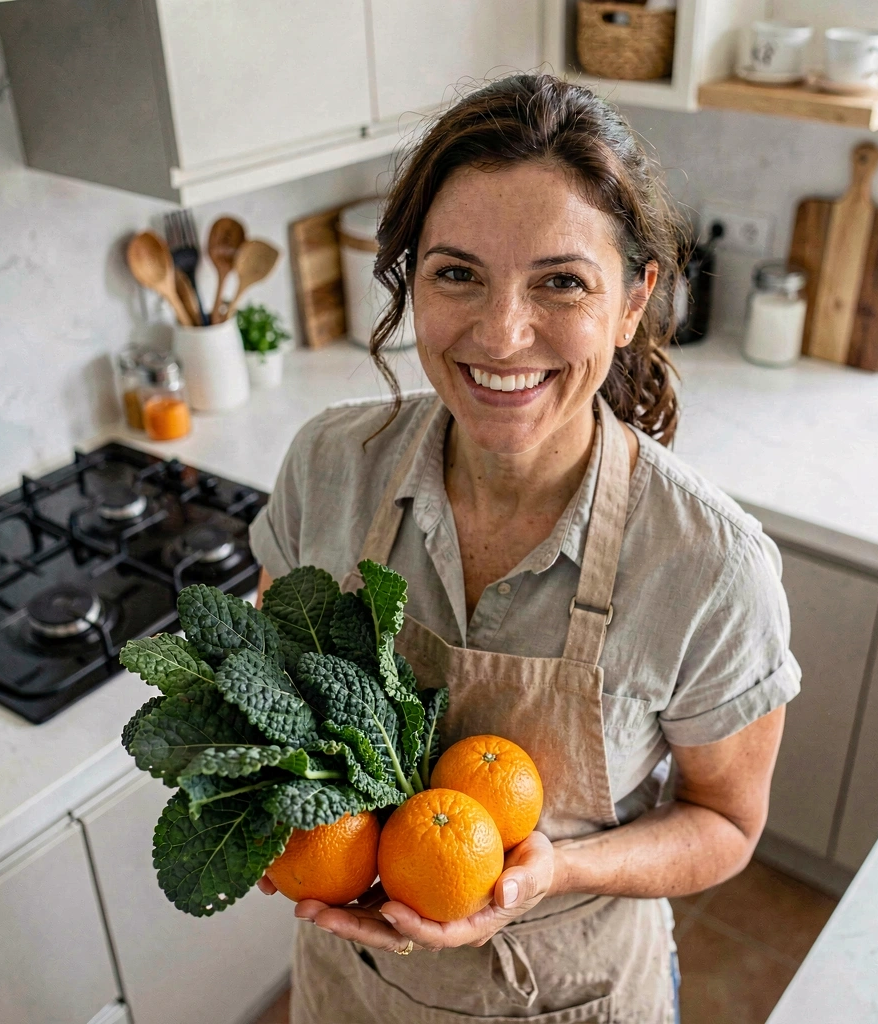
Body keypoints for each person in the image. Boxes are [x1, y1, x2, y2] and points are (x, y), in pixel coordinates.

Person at [250, 73, 800, 1024]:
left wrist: (558, 869)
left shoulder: (712, 567)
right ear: (410, 281)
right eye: (457, 273)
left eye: (562, 282)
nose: (503, 335)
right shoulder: (328, 466)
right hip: (350, 988)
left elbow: (726, 824)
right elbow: (269, 672)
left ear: (632, 303)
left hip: (572, 992)